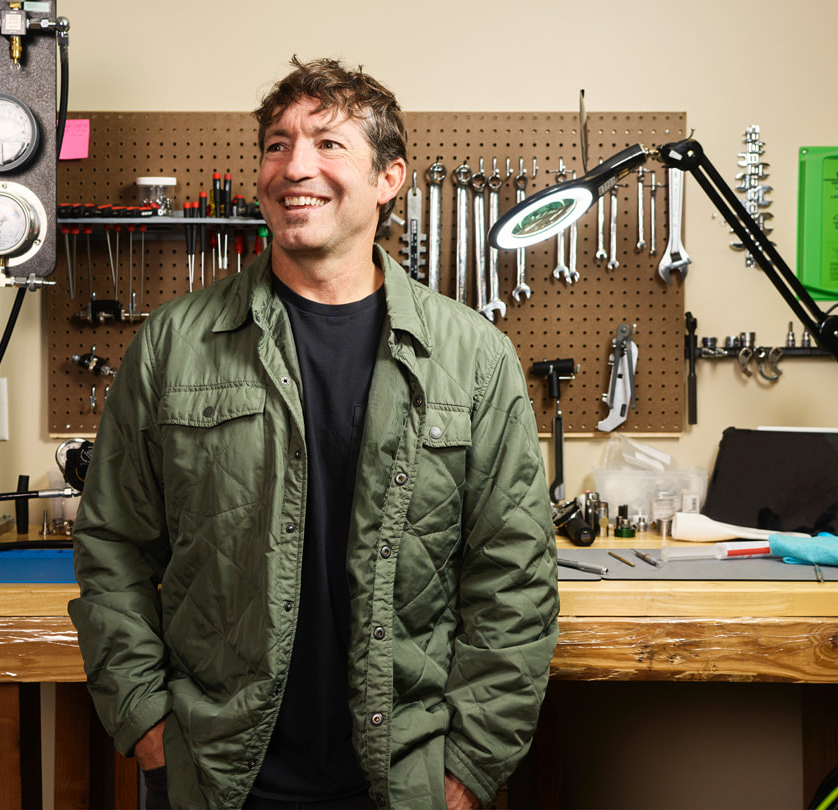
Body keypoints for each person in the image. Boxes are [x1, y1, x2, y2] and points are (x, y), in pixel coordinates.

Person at [69, 56, 559, 810]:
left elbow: (513, 577)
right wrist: (145, 720)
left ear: (388, 178)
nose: (294, 166)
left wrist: (467, 768)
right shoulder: (174, 344)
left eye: (328, 143)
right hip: (215, 772)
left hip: (406, 776)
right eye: (276, 144)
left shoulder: (475, 358)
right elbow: (113, 545)